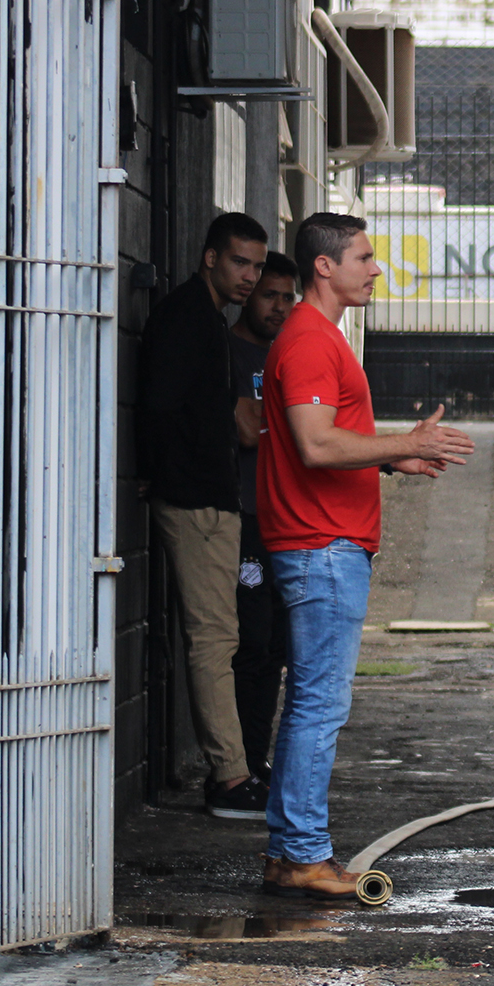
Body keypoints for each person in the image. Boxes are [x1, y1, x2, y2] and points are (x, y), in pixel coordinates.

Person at [258, 214, 477, 901]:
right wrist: (400, 441)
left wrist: (395, 457)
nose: (375, 268)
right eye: (364, 256)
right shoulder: (310, 342)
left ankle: (292, 850)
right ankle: (300, 854)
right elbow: (317, 445)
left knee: (313, 704)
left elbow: (327, 445)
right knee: (319, 705)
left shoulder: (318, 337)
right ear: (325, 267)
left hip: (325, 542)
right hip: (322, 545)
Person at [137, 212, 271, 819]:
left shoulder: (202, 318)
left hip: (205, 495)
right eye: (240, 262)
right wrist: (163, 475)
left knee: (219, 636)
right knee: (216, 638)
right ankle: (229, 777)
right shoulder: (187, 316)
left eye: (258, 265)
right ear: (211, 257)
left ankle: (233, 772)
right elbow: (158, 406)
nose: (250, 276)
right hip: (196, 499)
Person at [230, 253, 299, 782]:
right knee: (250, 644)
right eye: (268, 295)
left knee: (278, 646)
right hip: (243, 518)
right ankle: (242, 765)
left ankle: (260, 761)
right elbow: (247, 430)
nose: (279, 307)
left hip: (285, 523)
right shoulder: (229, 352)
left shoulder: (291, 355)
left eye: (286, 297)